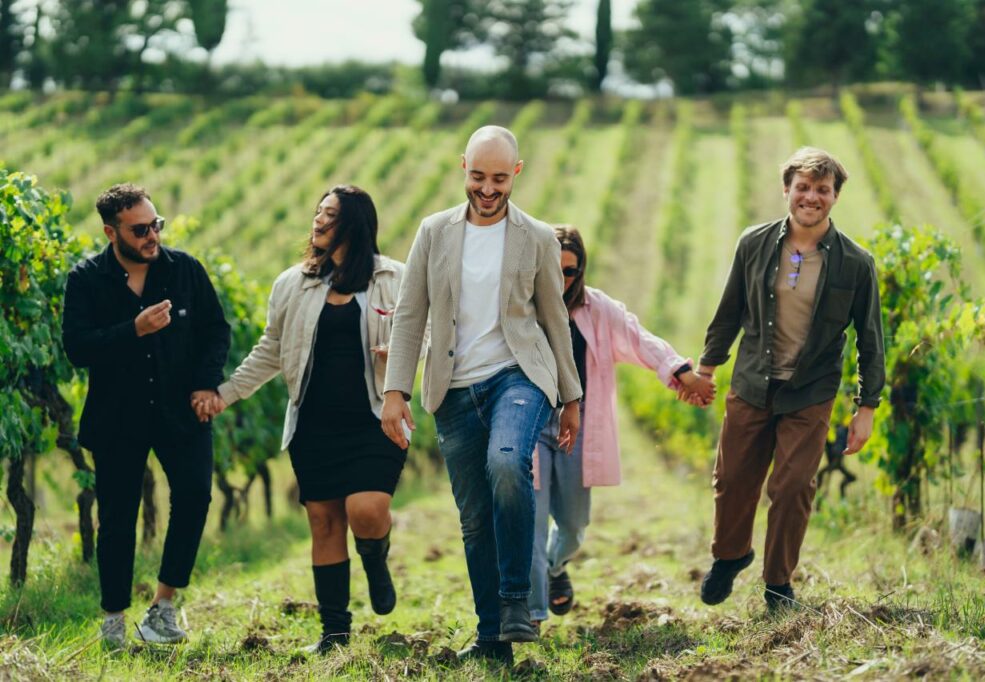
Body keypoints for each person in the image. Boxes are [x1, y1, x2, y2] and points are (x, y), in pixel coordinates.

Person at [380, 126, 582, 666]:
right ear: (462, 167)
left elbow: (553, 318)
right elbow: (409, 313)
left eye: (498, 178)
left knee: (507, 462)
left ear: (515, 173)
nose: (487, 189)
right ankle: (492, 638)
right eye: (477, 176)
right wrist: (394, 390)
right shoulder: (434, 232)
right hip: (453, 387)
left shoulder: (537, 236)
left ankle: (517, 600)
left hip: (518, 374)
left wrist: (571, 396)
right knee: (473, 518)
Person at [196, 185, 409, 654]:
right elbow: (270, 349)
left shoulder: (395, 278)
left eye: (329, 216)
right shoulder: (293, 283)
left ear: (354, 224)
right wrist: (226, 394)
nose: (317, 222)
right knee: (324, 522)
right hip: (314, 425)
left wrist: (402, 357)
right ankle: (333, 635)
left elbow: (426, 338)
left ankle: (374, 558)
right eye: (317, 212)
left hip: (376, 419)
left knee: (367, 510)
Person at [691, 147, 885, 611]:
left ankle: (779, 583)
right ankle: (731, 555)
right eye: (803, 187)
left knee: (794, 486)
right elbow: (729, 310)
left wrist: (867, 408)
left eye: (822, 189)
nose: (811, 197)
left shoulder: (856, 264)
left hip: (810, 391)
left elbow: (870, 339)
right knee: (732, 479)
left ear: (835, 196)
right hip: (753, 380)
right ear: (787, 190)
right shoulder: (753, 243)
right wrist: (706, 368)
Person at [62, 183, 230, 648]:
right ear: (111, 232)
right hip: (118, 416)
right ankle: (114, 618)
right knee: (117, 518)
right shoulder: (86, 279)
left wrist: (204, 381)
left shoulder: (185, 271)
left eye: (156, 224)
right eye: (140, 229)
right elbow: (77, 347)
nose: (152, 235)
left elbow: (217, 331)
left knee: (195, 496)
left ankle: (164, 606)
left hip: (181, 409)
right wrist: (131, 330)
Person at [528, 226, 716, 625]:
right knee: (530, 521)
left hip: (575, 427)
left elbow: (639, 337)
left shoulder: (597, 309)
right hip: (528, 424)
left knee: (574, 526)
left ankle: (554, 567)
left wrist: (682, 373)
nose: (561, 279)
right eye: (553, 268)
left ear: (581, 272)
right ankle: (531, 614)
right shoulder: (522, 306)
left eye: (570, 271)